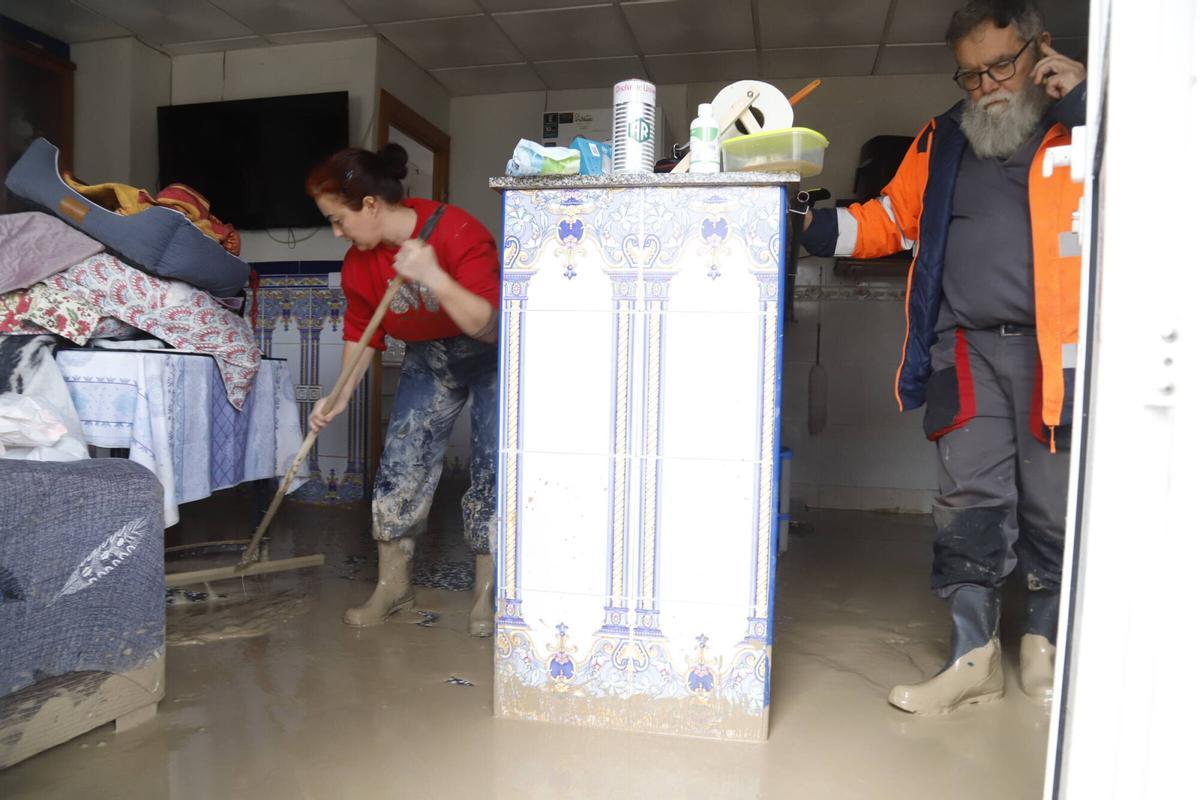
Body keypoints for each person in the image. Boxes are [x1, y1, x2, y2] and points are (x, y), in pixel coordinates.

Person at [798, 0, 1087, 714]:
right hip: (965, 348)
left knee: (1054, 505)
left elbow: (1158, 181)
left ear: (1039, 48)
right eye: (970, 75)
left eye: (1001, 66)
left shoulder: (1084, 130)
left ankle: (1043, 642)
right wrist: (804, 224)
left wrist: (1087, 102)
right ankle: (973, 656)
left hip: (1062, 351)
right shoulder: (942, 138)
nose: (987, 86)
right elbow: (888, 221)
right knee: (968, 501)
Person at [305, 143, 500, 636]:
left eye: (338, 219)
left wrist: (432, 274)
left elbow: (489, 325)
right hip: (428, 358)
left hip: (492, 356)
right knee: (401, 464)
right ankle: (394, 588)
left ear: (370, 205)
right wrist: (340, 393)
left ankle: (488, 595)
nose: (337, 232)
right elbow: (361, 331)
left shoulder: (457, 231)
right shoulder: (359, 263)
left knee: (493, 467)